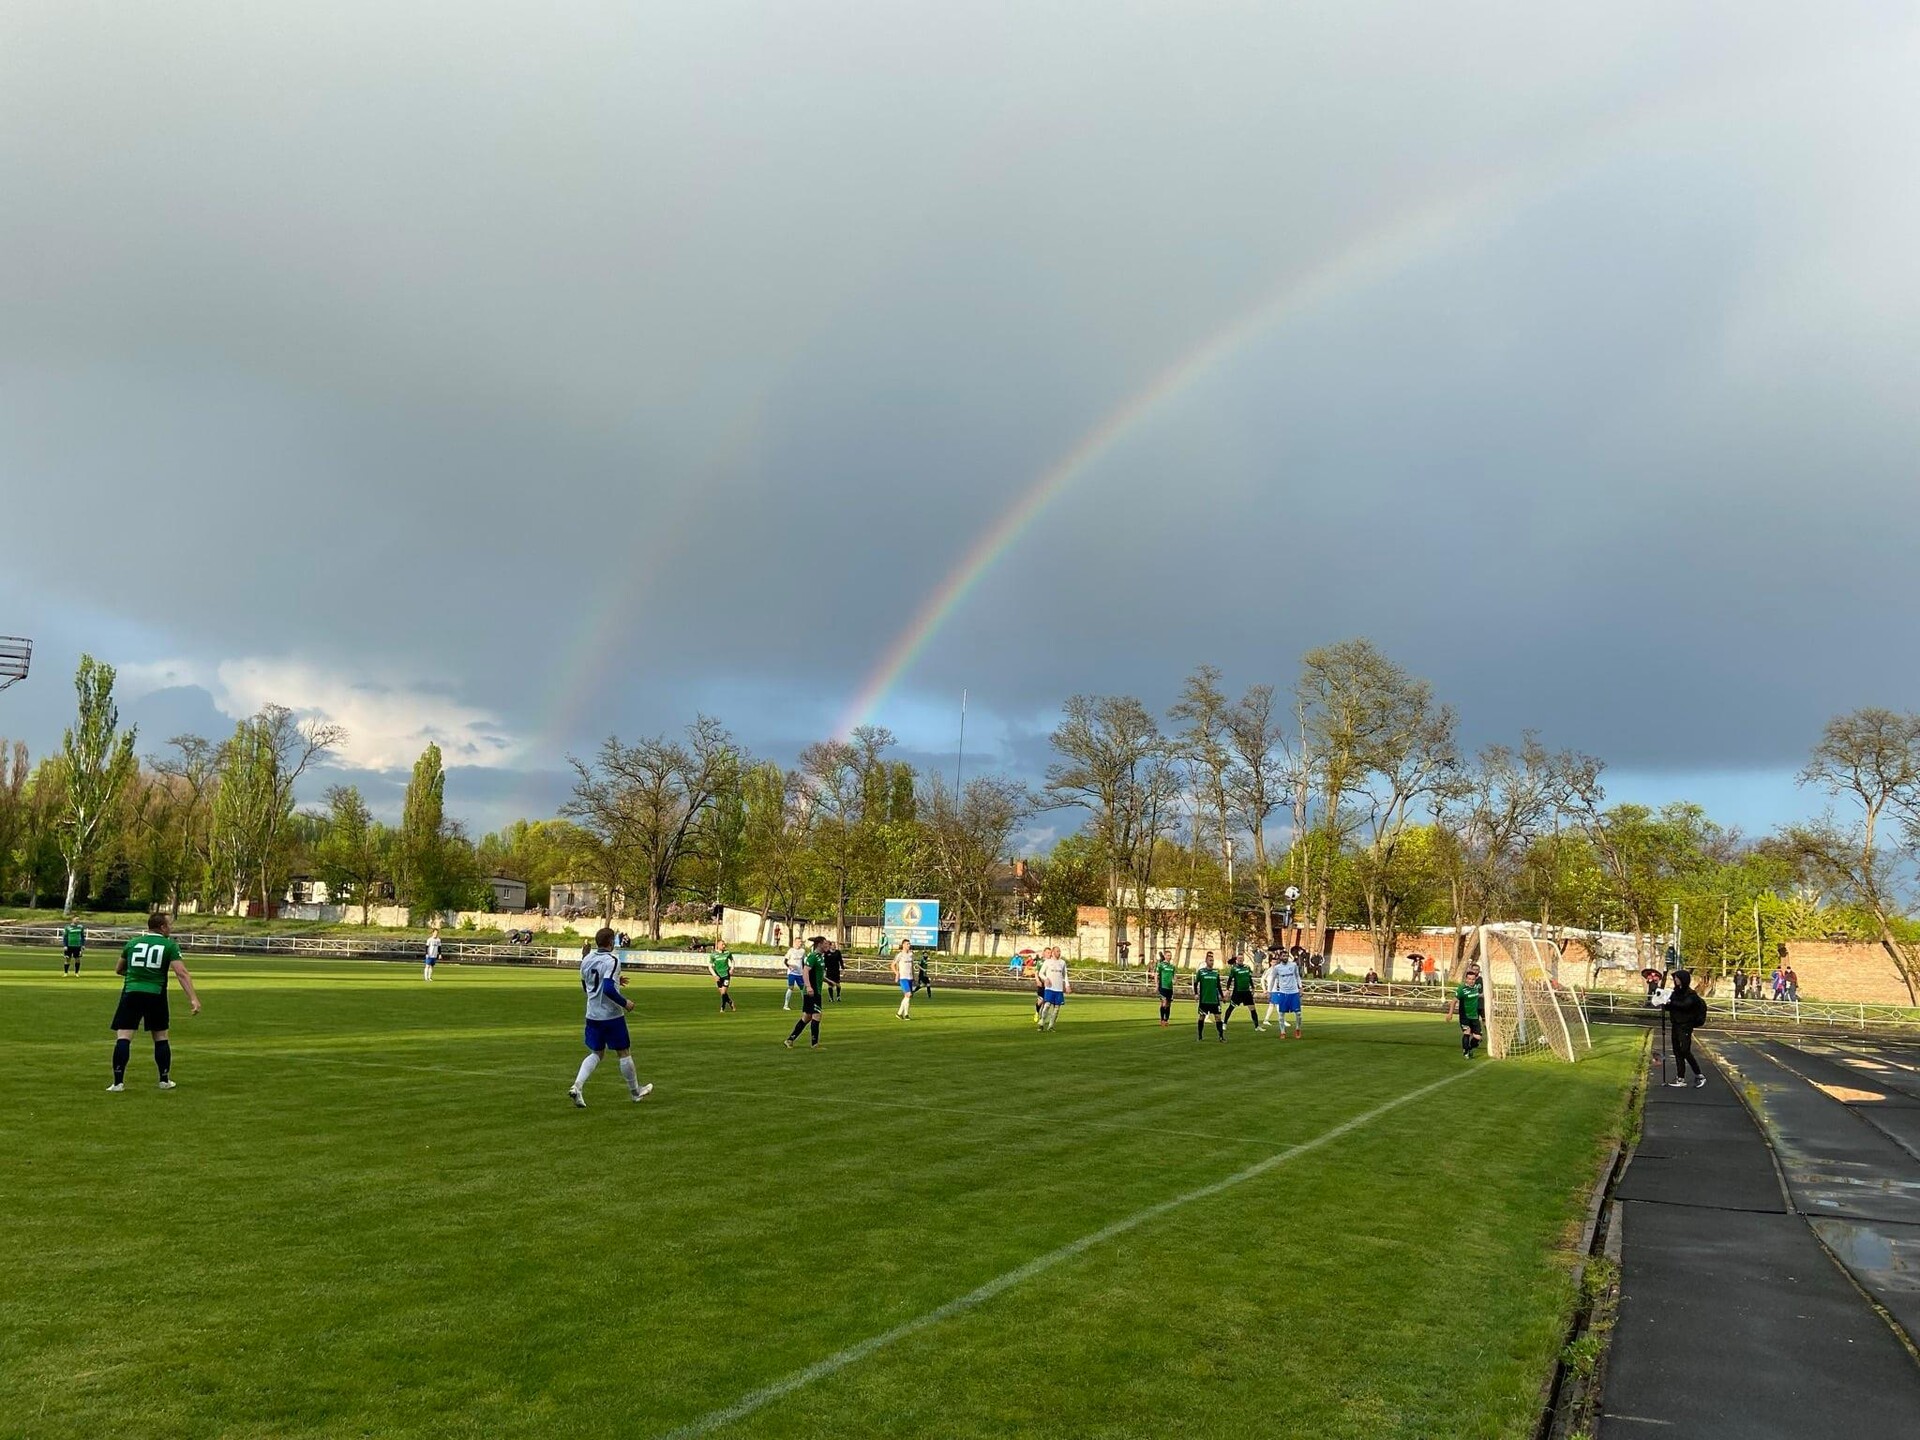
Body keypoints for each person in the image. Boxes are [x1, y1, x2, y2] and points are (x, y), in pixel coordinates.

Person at [107, 913, 201, 1091]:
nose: (170, 928)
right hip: (155, 994)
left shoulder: (132, 943)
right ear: (163, 927)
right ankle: (164, 1080)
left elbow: (119, 969)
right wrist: (193, 998)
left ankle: (117, 1083)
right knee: (160, 1037)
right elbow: (181, 973)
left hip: (131, 992)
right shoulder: (169, 945)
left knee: (124, 1037)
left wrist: (137, 976)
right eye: (169, 925)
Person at [569, 928, 651, 1107]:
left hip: (592, 1014)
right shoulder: (612, 959)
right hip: (611, 1015)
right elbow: (606, 988)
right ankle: (635, 1092)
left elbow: (587, 986)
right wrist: (625, 1002)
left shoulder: (586, 959)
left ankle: (577, 1086)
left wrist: (616, 980)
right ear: (611, 942)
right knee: (623, 1052)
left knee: (597, 1053)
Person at [1658, 969, 1709, 1088]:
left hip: (1686, 1025)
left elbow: (1685, 1005)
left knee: (1685, 1050)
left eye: (1677, 978)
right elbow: (1672, 1007)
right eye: (1675, 978)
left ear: (1683, 980)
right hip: (1676, 1024)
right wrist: (1664, 1003)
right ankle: (1680, 1078)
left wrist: (1670, 1002)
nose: (1675, 980)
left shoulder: (1691, 994)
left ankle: (1699, 1075)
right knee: (1677, 1051)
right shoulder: (1676, 992)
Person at [785, 942, 827, 1049]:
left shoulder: (820, 957)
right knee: (817, 1015)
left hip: (815, 991)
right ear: (819, 944)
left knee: (807, 1017)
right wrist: (808, 986)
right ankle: (815, 1044)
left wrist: (829, 981)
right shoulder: (813, 957)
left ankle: (790, 1040)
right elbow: (805, 971)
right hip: (812, 992)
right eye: (825, 944)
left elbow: (818, 974)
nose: (827, 946)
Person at [1264, 948, 1303, 1038]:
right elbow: (1272, 980)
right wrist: (1269, 991)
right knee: (1281, 1014)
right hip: (1283, 992)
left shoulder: (1293, 965)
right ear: (1280, 957)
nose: (1285, 957)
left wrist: (1300, 987)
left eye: (1286, 956)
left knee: (1298, 1014)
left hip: (1294, 992)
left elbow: (1297, 976)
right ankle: (1282, 1032)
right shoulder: (1277, 968)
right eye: (1283, 956)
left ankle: (1297, 1029)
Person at [1450, 965, 1484, 1058]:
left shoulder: (1476, 988)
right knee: (1467, 1032)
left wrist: (1487, 995)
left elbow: (1479, 995)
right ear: (1466, 979)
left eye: (1473, 979)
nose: (1471, 981)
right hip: (1465, 1016)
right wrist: (1450, 1014)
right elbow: (1453, 1001)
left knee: (1478, 1038)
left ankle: (1469, 1048)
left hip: (1474, 1016)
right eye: (1469, 979)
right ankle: (1465, 1052)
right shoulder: (1462, 989)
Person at [1193, 954, 1226, 1041]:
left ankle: (1221, 1036)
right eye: (1210, 960)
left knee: (1218, 1017)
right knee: (1202, 1017)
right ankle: (1200, 1036)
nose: (1212, 962)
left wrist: (1222, 996)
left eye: (1213, 961)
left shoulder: (1216, 972)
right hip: (1204, 999)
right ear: (1206, 961)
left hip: (1214, 1000)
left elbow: (1218, 985)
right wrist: (1196, 994)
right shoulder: (1201, 972)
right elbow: (1196, 983)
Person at [1224, 953, 1261, 1030]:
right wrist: (1227, 989)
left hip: (1246, 992)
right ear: (1237, 960)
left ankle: (1257, 1026)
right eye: (1239, 958)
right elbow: (1230, 980)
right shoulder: (1234, 969)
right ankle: (1224, 1023)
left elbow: (1249, 978)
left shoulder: (1247, 967)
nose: (1240, 959)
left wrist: (1253, 987)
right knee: (1231, 1007)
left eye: (1242, 958)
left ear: (1243, 959)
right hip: (1237, 992)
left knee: (1252, 1009)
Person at [1037, 949, 1069, 1031]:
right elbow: (1041, 973)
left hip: (1059, 988)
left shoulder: (1062, 962)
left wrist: (1067, 985)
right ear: (1053, 952)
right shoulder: (1047, 962)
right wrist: (1045, 979)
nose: (1059, 953)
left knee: (1057, 1008)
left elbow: (1065, 975)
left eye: (1060, 951)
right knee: (1047, 1005)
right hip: (1050, 988)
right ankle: (1042, 1022)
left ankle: (1051, 1026)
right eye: (1057, 951)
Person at [709, 945, 736, 1012]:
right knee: (722, 993)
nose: (724, 946)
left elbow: (732, 960)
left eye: (724, 945)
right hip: (718, 976)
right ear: (718, 945)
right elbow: (710, 966)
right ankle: (730, 1002)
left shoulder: (727, 953)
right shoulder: (713, 955)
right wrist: (715, 975)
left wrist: (732, 968)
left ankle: (722, 1007)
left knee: (724, 992)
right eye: (722, 945)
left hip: (726, 975)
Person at [894, 940, 916, 1019]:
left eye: (909, 944)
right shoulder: (900, 955)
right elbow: (893, 965)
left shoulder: (911, 955)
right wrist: (897, 974)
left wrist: (914, 976)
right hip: (903, 977)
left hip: (909, 977)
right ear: (903, 945)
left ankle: (900, 1013)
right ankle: (906, 1014)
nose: (909, 945)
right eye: (907, 944)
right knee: (908, 994)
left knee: (908, 996)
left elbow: (912, 966)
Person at [1154, 951, 1177, 1027]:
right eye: (1168, 955)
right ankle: (1162, 1020)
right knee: (1164, 1003)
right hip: (1162, 986)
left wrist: (1174, 980)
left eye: (1170, 955)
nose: (1169, 957)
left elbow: (1174, 976)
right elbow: (1156, 975)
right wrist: (1157, 985)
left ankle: (1166, 1020)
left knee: (1168, 1004)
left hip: (1170, 987)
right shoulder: (1161, 965)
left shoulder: (1172, 966)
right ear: (1164, 956)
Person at [783, 940, 806, 1011]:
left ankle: (805, 1005)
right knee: (791, 987)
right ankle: (786, 1005)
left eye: (801, 942)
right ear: (795, 942)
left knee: (803, 988)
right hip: (792, 973)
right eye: (798, 942)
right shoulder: (791, 950)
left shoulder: (803, 951)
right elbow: (785, 961)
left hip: (800, 973)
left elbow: (803, 961)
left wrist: (804, 970)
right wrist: (789, 966)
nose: (800, 943)